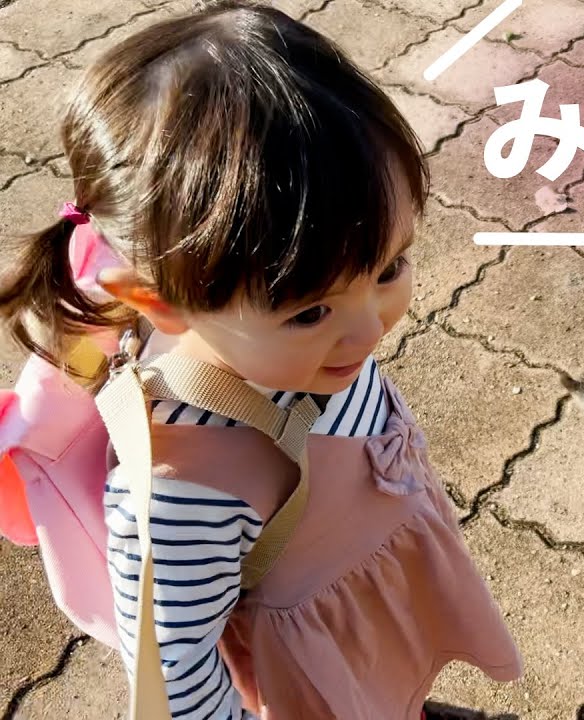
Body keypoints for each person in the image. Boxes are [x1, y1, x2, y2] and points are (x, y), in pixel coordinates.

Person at [0, 2, 521, 717]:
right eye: (309, 312)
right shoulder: (181, 496)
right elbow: (177, 691)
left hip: (361, 606)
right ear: (158, 302)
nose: (369, 331)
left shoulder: (304, 347)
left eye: (390, 268)